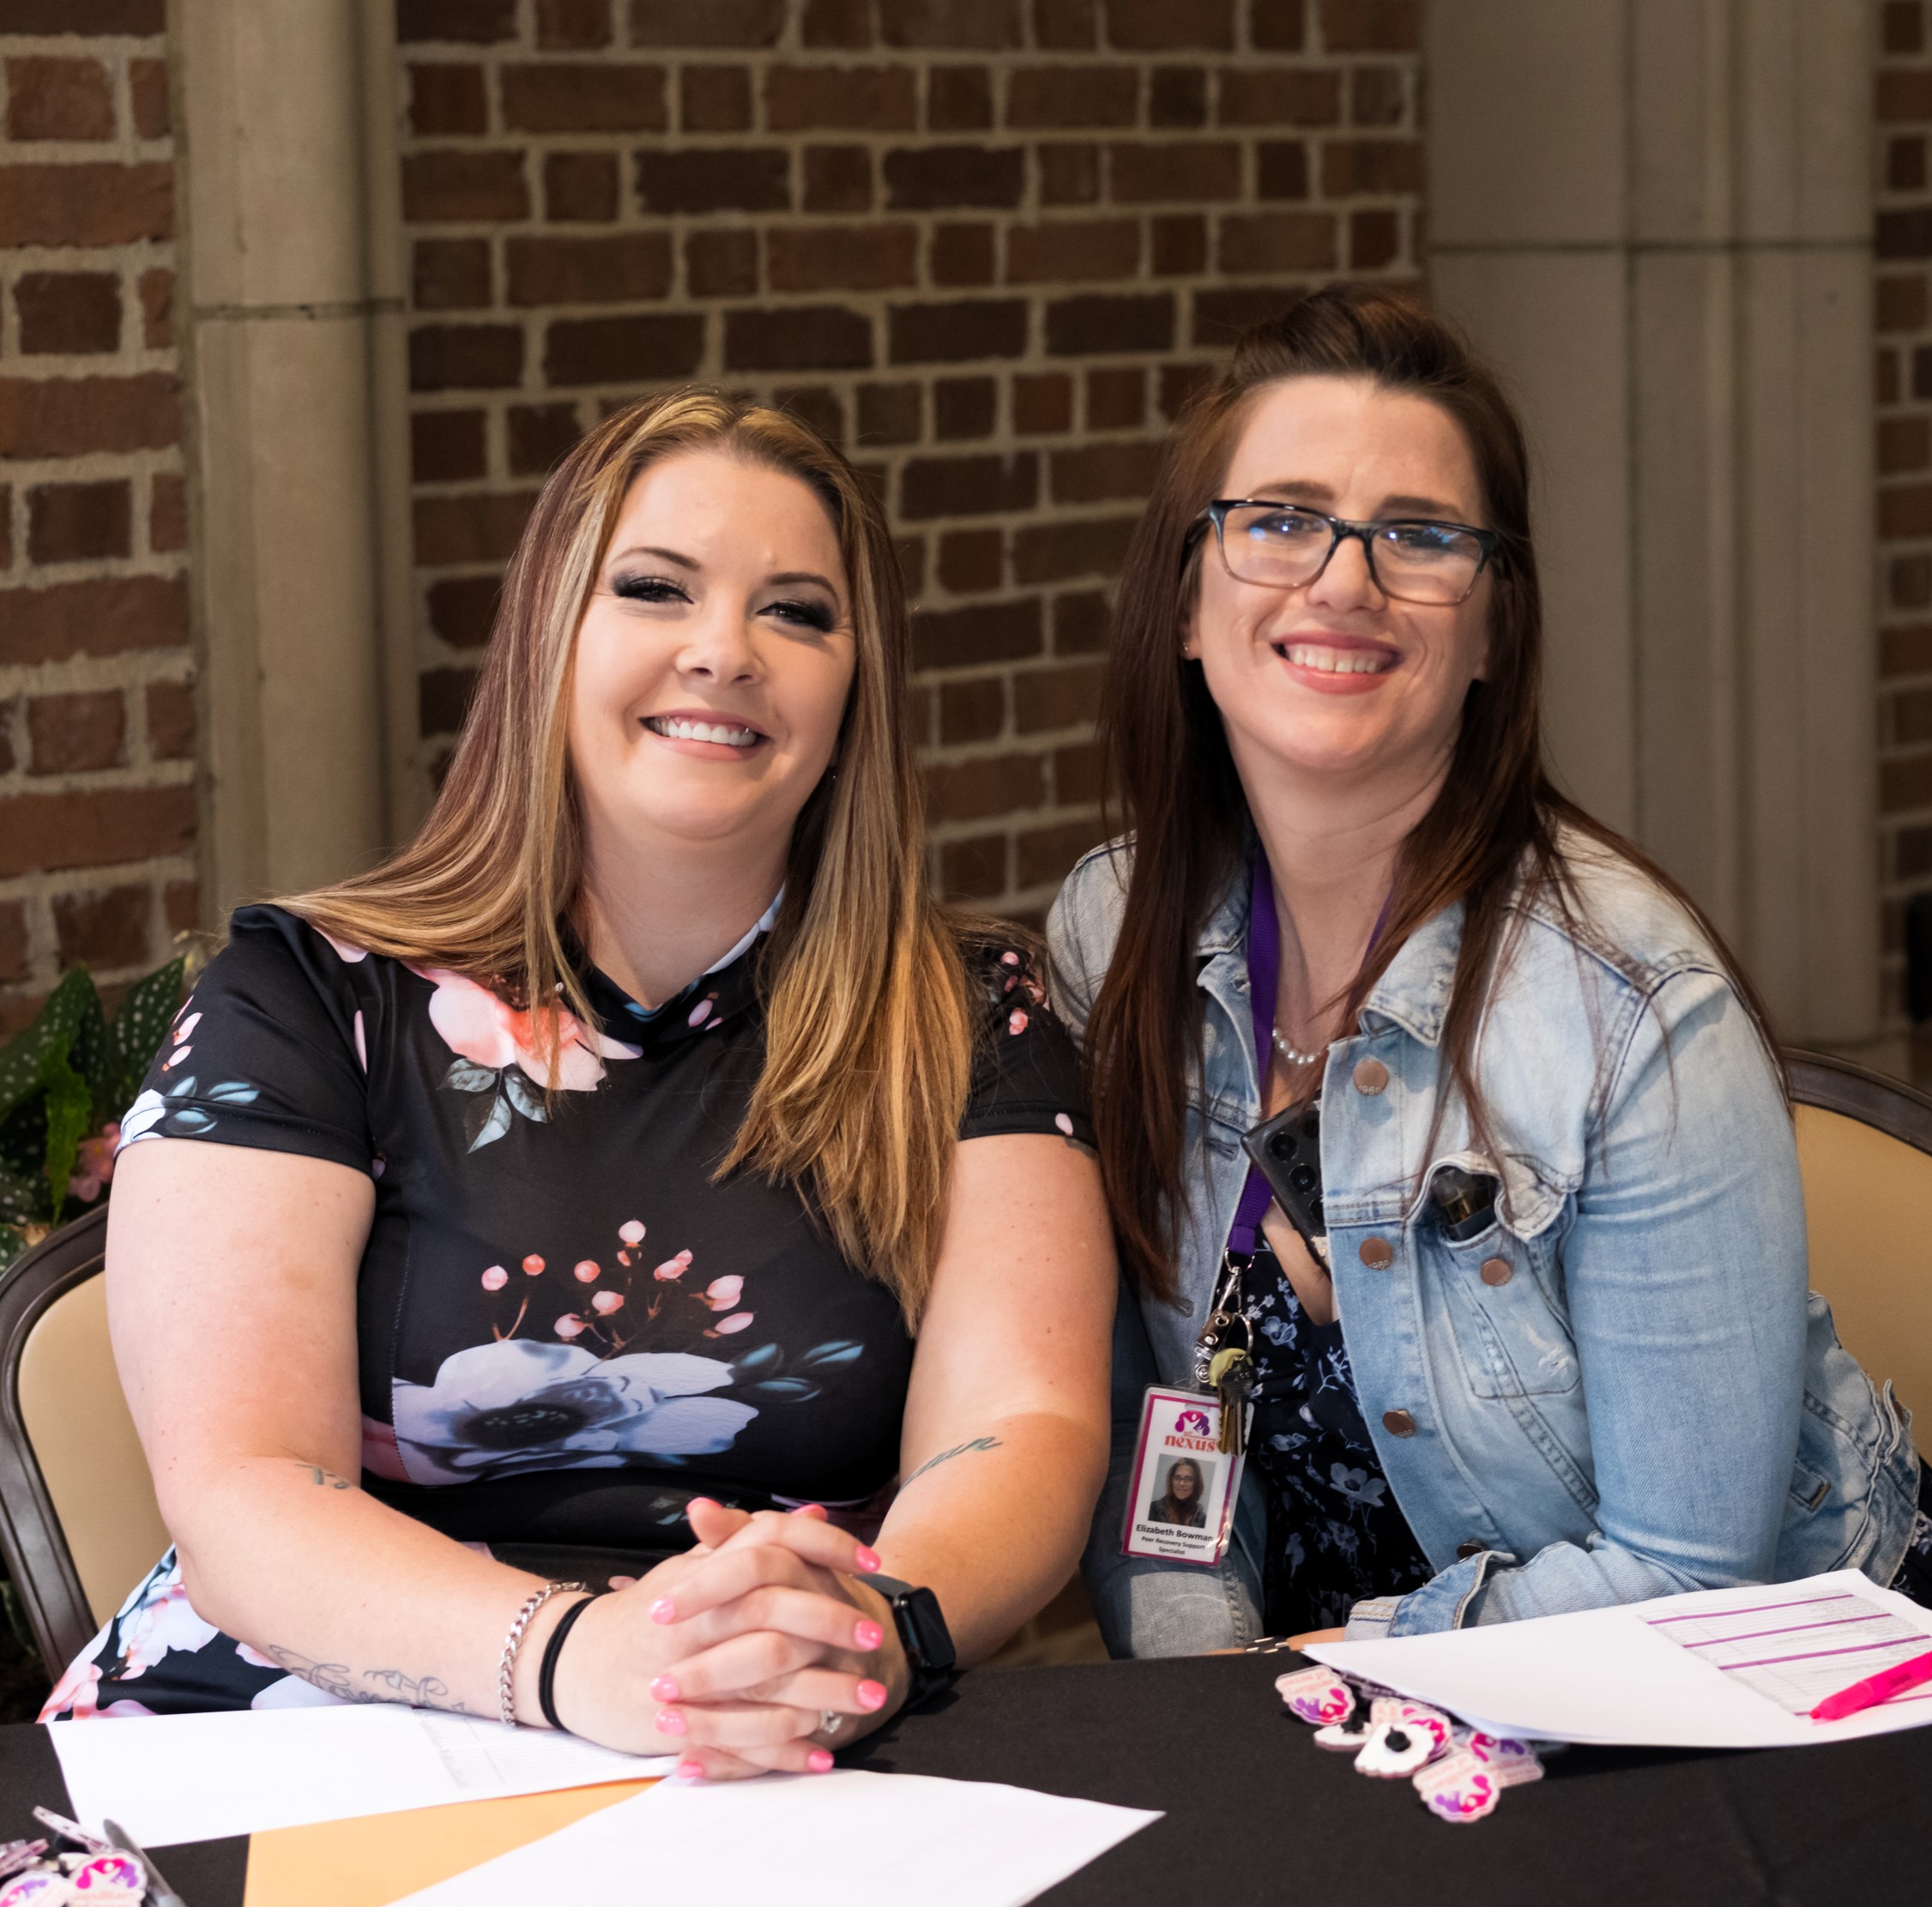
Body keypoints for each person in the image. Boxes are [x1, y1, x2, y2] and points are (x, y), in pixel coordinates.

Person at [43, 390, 1115, 1777]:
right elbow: (244, 1489)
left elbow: (1020, 1426)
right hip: (319, 1705)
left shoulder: (969, 1012)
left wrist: (868, 1623)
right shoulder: (305, 996)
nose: (723, 649)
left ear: (856, 692)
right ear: (551, 637)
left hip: (781, 1715)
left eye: (797, 611)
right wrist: (587, 1655)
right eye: (656, 588)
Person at [1048, 282, 1929, 1657]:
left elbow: (1695, 1576)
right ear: (1183, 598)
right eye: (1281, 519)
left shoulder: (1631, 1001)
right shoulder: (1111, 936)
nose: (1345, 577)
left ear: (1490, 632)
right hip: (1330, 1712)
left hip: (1736, 1702)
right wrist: (1214, 1702)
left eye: (1418, 535)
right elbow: (1145, 1444)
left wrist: (1316, 1675)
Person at [1147, 1459, 1209, 1529]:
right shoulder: (1154, 1510)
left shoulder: (1202, 1520)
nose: (1181, 1483)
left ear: (1196, 1484)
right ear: (1171, 1481)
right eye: (1177, 1478)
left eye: (1188, 1479)